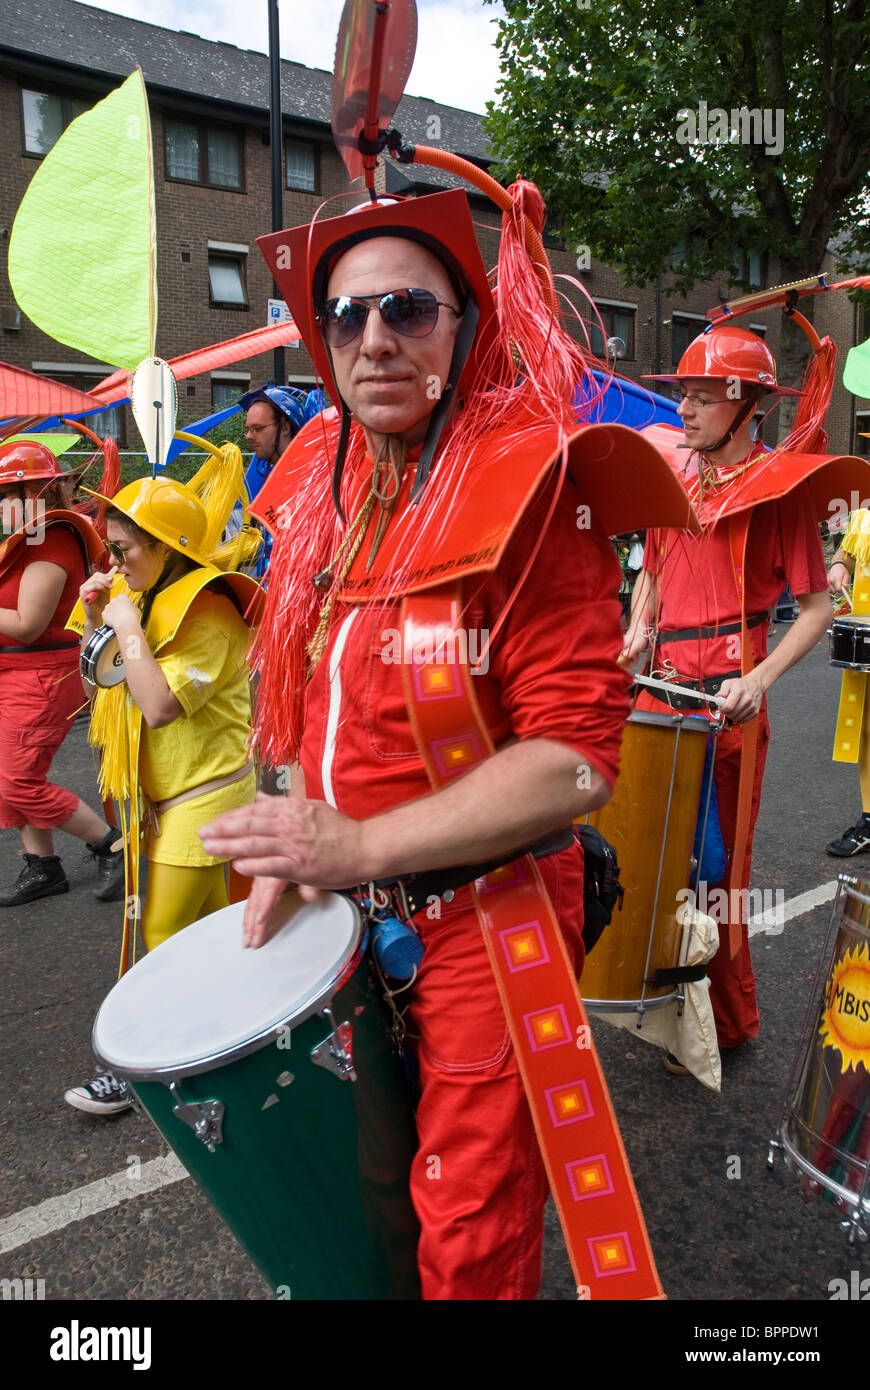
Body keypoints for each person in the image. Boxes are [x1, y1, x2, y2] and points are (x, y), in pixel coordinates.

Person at [198, 186, 691, 1300]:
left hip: (489, 917)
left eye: (408, 309)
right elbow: (309, 715)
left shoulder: (531, 487)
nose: (374, 339)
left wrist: (358, 847)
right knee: (358, 1199)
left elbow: (575, 758)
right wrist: (293, 847)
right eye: (346, 316)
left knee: (467, 1237)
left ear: (462, 325)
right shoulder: (325, 486)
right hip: (350, 918)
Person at [623, 326, 835, 1053]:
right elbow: (651, 568)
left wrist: (760, 677)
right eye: (683, 395)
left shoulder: (782, 494)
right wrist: (636, 625)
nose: (686, 409)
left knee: (718, 876)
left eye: (704, 398)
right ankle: (659, 1008)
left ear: (751, 408)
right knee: (651, 858)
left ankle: (726, 1026)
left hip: (729, 706)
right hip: (657, 694)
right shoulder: (671, 473)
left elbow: (817, 609)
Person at [64, 466, 261, 1115]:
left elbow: (157, 708)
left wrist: (123, 627)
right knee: (208, 935)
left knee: (162, 930)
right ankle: (236, 1044)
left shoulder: (209, 611)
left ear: (169, 544)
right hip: (168, 803)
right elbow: (105, 696)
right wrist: (104, 619)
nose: (113, 560)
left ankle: (137, 1065)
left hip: (207, 800)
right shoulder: (145, 599)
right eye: (109, 549)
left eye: (123, 549)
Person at [0, 440, 125, 908]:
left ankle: (109, 843)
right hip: (20, 674)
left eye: (6, 494)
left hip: (40, 678)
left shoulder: (50, 539)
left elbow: (28, 625)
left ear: (35, 492)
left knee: (18, 781)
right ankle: (43, 867)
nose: (0, 504)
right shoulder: (32, 536)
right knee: (14, 773)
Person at [825, 512, 870, 855]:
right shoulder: (866, 515)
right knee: (867, 732)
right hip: (866, 639)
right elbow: (849, 552)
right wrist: (839, 565)